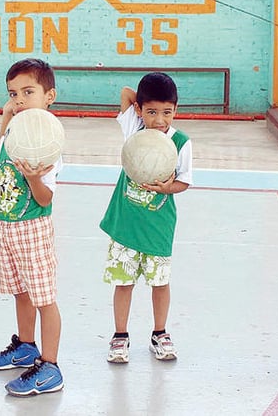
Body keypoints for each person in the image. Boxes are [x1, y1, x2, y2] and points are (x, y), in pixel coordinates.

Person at [100, 72, 192, 364]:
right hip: (126, 225)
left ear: (176, 110)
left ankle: (160, 333)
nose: (160, 120)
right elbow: (126, 91)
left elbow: (184, 182)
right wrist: (140, 108)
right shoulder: (133, 129)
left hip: (158, 227)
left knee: (160, 284)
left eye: (167, 112)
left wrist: (169, 187)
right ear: (139, 110)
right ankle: (120, 335)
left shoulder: (181, 142)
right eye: (152, 111)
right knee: (123, 283)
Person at [0, 58, 64, 396]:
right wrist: (6, 118)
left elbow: (45, 198)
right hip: (6, 226)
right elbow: (1, 154)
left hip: (32, 228)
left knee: (43, 299)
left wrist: (33, 179)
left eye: (27, 92)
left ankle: (50, 366)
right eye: (13, 93)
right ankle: (27, 346)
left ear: (49, 96)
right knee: (21, 292)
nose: (18, 100)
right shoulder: (16, 130)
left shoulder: (47, 140)